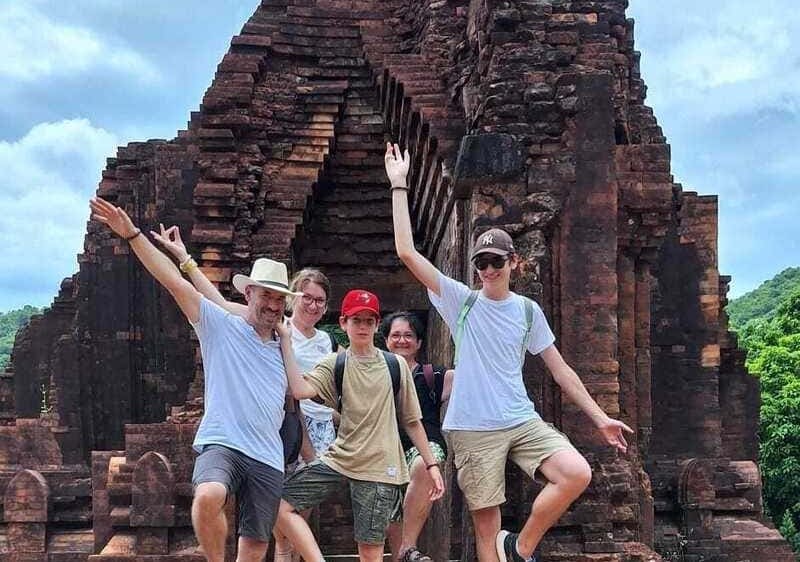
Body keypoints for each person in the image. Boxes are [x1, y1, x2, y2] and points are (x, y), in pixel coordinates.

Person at [384, 143, 633, 562]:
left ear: (513, 262)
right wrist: (399, 185)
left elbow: (560, 370)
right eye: (481, 262)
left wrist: (601, 418)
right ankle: (506, 547)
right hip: (473, 427)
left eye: (496, 261)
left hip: (520, 418)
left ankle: (520, 546)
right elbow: (407, 253)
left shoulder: (526, 311)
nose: (488, 269)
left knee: (575, 473)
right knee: (486, 530)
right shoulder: (461, 301)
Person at [89, 197, 301, 562]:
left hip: (268, 455)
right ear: (248, 292)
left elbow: (300, 389)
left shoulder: (283, 343)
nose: (273, 305)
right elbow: (173, 282)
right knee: (208, 496)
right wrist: (134, 235)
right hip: (224, 442)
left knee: (255, 543)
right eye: (266, 295)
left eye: (280, 298)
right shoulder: (220, 327)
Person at [148, 225, 338, 562]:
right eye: (306, 298)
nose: (311, 305)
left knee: (269, 532)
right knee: (215, 497)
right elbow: (212, 300)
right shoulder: (241, 324)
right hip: (235, 437)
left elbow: (300, 395)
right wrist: (181, 257)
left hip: (283, 438)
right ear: (249, 293)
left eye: (319, 301)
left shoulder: (304, 341)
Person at [274, 290, 446, 562]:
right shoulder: (335, 363)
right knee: (281, 505)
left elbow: (412, 421)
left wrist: (431, 465)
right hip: (340, 457)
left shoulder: (395, 365)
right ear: (344, 323)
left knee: (370, 552)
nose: (363, 326)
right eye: (357, 320)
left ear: (377, 325)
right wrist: (285, 340)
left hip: (379, 466)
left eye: (369, 321)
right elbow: (298, 389)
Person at [382, 312, 454, 562]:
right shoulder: (376, 374)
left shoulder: (434, 375)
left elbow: (473, 378)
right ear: (386, 340)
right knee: (393, 506)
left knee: (425, 464)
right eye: (396, 335)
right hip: (386, 450)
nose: (402, 340)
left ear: (419, 342)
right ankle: (400, 555)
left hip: (425, 446)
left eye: (409, 335)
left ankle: (408, 547)